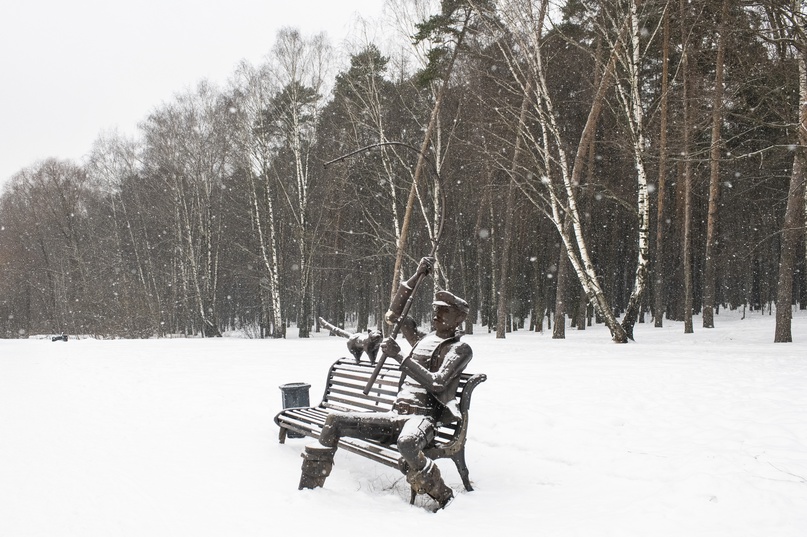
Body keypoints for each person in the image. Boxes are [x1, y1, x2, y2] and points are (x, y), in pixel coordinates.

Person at [298, 257, 472, 509]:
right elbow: (394, 314)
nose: (436, 312)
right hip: (396, 417)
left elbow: (436, 382)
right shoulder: (422, 340)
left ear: (458, 318)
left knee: (407, 443)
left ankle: (443, 496)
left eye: (444, 310)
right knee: (334, 421)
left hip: (422, 420)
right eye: (435, 308)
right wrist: (415, 276)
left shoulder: (460, 349)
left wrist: (399, 356)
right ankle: (308, 494)